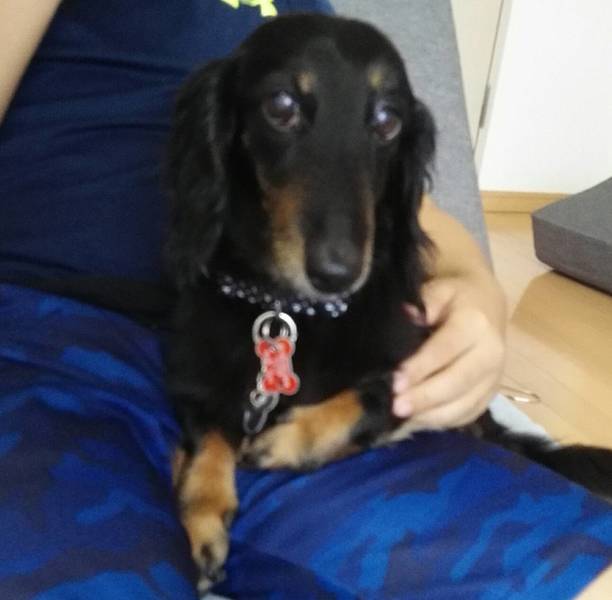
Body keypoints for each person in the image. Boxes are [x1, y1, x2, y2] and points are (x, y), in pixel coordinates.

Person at [1, 2, 609, 599]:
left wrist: (474, 283)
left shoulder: (315, 20)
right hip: (54, 343)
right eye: (282, 107)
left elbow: (391, 193)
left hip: (315, 367)